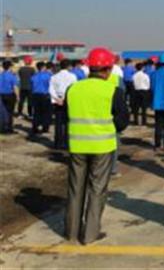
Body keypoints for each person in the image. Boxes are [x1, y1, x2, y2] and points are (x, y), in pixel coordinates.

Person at [64, 47, 128, 244]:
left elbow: (66, 115)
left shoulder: (73, 88)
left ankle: (72, 232)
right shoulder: (113, 91)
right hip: (102, 147)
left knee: (75, 188)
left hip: (77, 146)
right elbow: (122, 122)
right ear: (108, 69)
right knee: (97, 189)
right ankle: (90, 234)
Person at [49, 59, 77, 149]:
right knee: (68, 123)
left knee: (58, 123)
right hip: (68, 101)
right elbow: (74, 89)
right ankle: (67, 143)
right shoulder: (72, 76)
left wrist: (57, 99)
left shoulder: (54, 77)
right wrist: (65, 99)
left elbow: (51, 90)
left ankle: (57, 143)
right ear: (69, 66)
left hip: (57, 101)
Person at [30, 61, 52, 135]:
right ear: (43, 67)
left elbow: (31, 86)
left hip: (35, 95)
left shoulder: (33, 76)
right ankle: (45, 128)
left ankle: (35, 128)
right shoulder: (48, 76)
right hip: (45, 95)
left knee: (36, 112)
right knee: (46, 112)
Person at [0, 61, 19, 134]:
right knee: (10, 112)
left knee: (2, 112)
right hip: (9, 95)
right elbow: (15, 87)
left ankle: (2, 128)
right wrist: (18, 96)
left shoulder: (1, 75)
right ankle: (9, 128)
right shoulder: (12, 76)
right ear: (10, 67)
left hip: (1, 95)